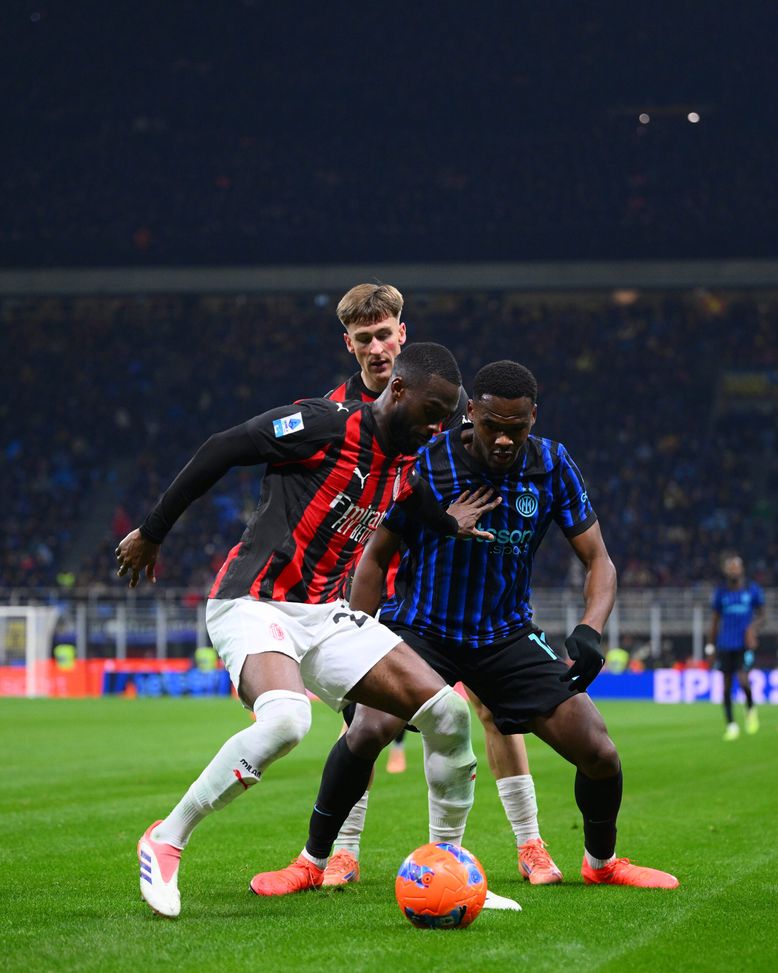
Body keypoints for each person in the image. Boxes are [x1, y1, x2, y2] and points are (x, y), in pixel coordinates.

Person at [253, 360, 679, 895]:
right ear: (470, 412)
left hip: (505, 636)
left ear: (533, 419)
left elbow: (600, 561)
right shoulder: (426, 461)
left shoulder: (552, 464)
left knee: (599, 751)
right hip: (422, 632)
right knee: (366, 730)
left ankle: (601, 861)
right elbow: (374, 558)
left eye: (517, 428)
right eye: (492, 426)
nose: (504, 440)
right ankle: (313, 860)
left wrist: (591, 629)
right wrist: (356, 640)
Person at [116, 343, 502, 918]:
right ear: (396, 390)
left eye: (447, 417)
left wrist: (448, 523)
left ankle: (447, 867)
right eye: (431, 411)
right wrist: (153, 530)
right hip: (253, 601)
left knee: (447, 713)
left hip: (323, 614)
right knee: (287, 720)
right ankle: (166, 838)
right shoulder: (324, 423)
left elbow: (413, 498)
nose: (438, 426)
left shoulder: (405, 455)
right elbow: (223, 448)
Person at [319, 284, 560, 895]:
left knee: (490, 708)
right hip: (379, 578)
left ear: (404, 334)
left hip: (445, 583)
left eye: (386, 334)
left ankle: (529, 844)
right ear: (349, 346)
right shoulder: (337, 415)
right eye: (365, 338)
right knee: (363, 721)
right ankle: (343, 853)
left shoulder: (444, 404)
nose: (377, 347)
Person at [705, 554, 764, 740]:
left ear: (742, 569)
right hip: (725, 644)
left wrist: (752, 628)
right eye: (730, 567)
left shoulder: (752, 590)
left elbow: (763, 615)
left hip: (744, 645)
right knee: (725, 687)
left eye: (736, 567)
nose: (733, 570)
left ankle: (751, 708)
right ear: (725, 571)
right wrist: (710, 646)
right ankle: (731, 725)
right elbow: (714, 622)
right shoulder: (720, 593)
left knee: (744, 680)